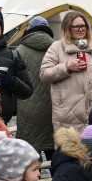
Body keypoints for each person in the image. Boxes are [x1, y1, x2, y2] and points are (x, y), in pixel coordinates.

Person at [40, 11, 92, 132]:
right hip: (68, 114)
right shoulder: (56, 47)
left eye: (83, 26)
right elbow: (44, 74)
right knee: (70, 150)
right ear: (68, 28)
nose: (80, 29)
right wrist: (66, 67)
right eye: (76, 26)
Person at [13, 16, 56, 161]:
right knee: (53, 151)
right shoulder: (56, 49)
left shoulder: (19, 50)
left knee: (31, 153)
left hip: (27, 108)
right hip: (53, 107)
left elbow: (16, 82)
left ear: (29, 30)